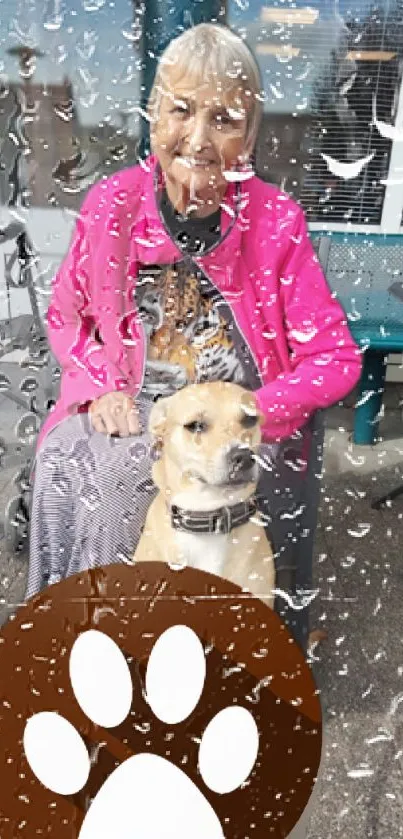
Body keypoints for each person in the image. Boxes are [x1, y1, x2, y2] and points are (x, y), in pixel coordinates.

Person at [26, 23, 361, 647]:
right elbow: (67, 315)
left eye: (225, 118)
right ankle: (73, 641)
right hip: (128, 397)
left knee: (140, 480)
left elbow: (334, 358)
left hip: (221, 414)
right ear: (154, 117)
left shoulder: (275, 222)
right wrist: (98, 386)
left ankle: (159, 659)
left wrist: (251, 414)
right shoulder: (112, 205)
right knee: (72, 461)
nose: (199, 138)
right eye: (181, 110)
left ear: (251, 136)